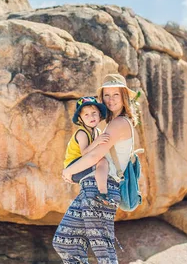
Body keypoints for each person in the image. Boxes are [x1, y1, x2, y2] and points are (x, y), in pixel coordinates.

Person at [53, 74, 139, 264]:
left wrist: (68, 172)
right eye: (106, 95)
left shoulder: (119, 123)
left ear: (124, 96)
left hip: (102, 189)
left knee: (103, 250)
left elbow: (93, 156)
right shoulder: (107, 125)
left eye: (115, 94)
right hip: (89, 187)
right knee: (64, 242)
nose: (110, 99)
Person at [63, 96, 115, 205]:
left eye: (94, 113)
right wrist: (97, 141)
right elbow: (85, 153)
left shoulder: (97, 132)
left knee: (104, 162)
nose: (91, 116)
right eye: (86, 114)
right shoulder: (82, 133)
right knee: (102, 162)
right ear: (80, 119)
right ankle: (102, 192)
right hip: (74, 167)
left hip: (85, 164)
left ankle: (101, 192)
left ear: (100, 115)